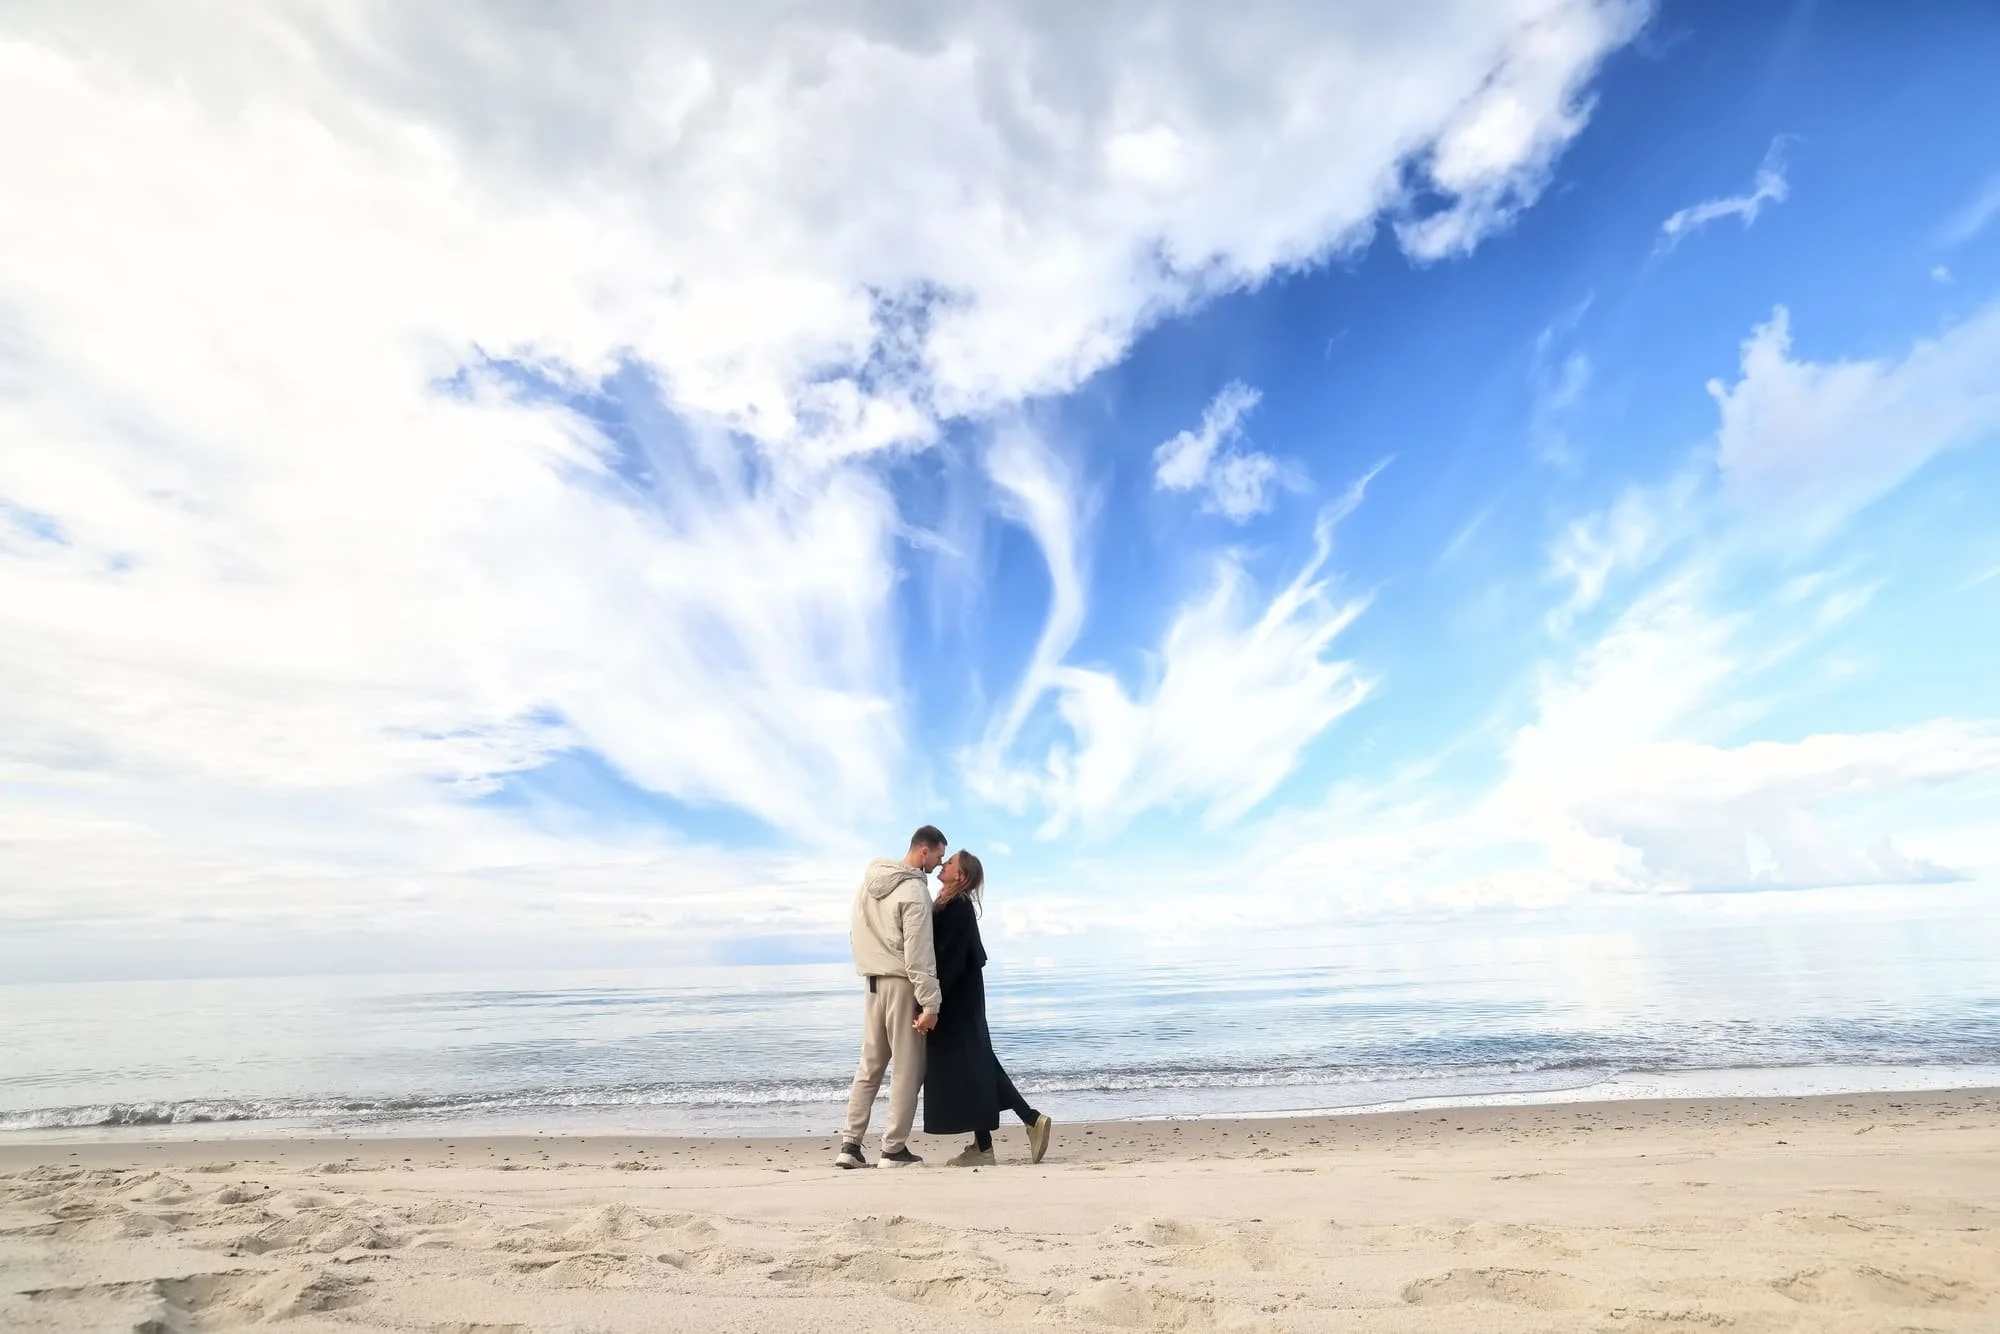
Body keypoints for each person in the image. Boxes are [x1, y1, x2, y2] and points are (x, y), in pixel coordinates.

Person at [922, 849, 1054, 1167]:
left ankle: (1029, 1120)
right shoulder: (952, 903)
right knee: (976, 1067)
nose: (943, 863)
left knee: (976, 1066)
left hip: (956, 999)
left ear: (961, 876)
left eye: (949, 862)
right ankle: (986, 1145)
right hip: (962, 995)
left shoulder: (956, 905)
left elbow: (949, 960)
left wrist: (929, 1003)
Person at [836, 825, 947, 1169]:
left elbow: (856, 931)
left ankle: (849, 1146)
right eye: (939, 856)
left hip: (871, 982)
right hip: (901, 983)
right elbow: (919, 953)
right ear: (924, 851)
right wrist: (930, 1003)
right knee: (907, 1069)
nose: (939, 866)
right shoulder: (914, 890)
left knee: (870, 1066)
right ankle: (893, 1149)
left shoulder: (868, 884)